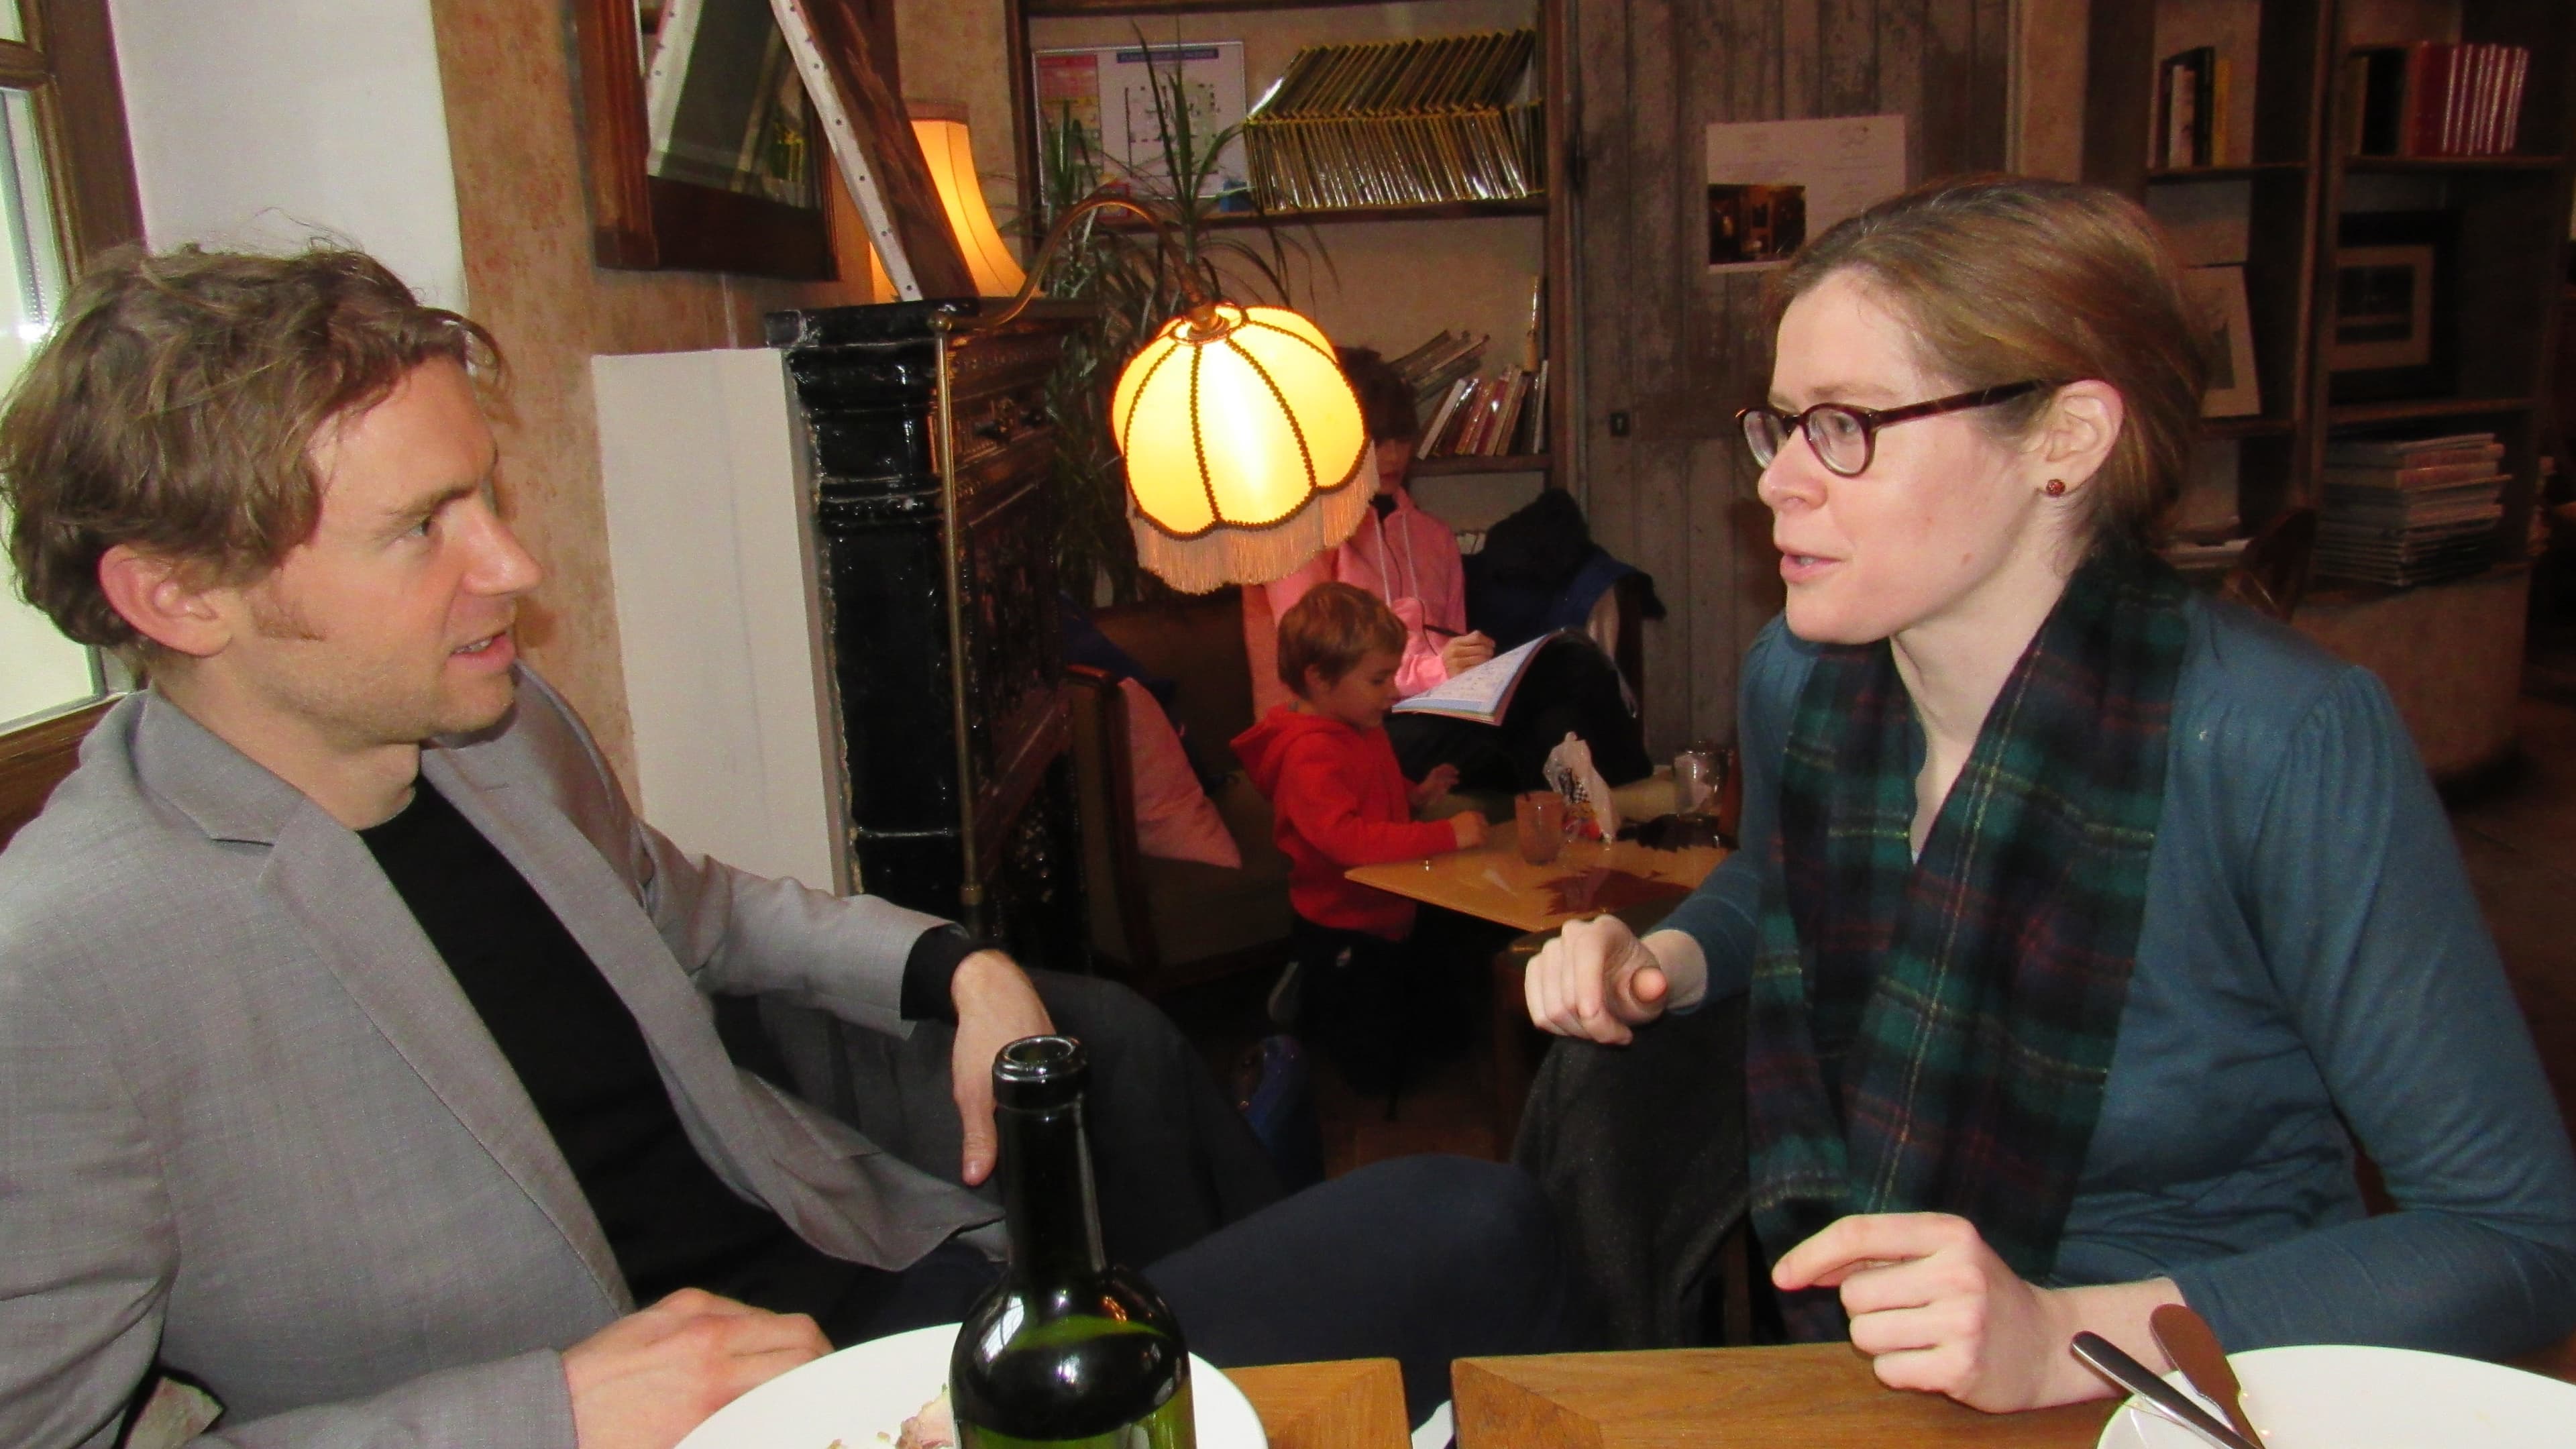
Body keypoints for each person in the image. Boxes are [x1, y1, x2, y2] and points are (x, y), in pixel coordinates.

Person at [0, 246, 1572, 1449]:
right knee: (1456, 1227)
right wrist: (543, 1409)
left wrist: (960, 965)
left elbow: (700, 907)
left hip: (886, 1312)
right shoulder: (65, 962)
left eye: (485, 493)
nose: (514, 562)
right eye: (425, 528)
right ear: (175, 596)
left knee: (1442, 1214)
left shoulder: (491, 730)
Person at [1521, 175, 2576, 1411]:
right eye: (1783, 424)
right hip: (1855, 1362)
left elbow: (2518, 1238)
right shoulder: (1801, 679)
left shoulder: (2279, 741)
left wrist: (2065, 1333)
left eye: (1846, 427)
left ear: (2067, 440)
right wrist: (1669, 962)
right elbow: (1777, 878)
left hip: (2195, 1387)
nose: (1778, 484)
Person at [1263, 348, 1650, 794]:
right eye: (1376, 441)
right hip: (1361, 724)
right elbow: (1313, 665)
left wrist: (1474, 665)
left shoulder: (1433, 536)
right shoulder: (1305, 539)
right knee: (1520, 737)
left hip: (1446, 705)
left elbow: (1453, 640)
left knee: (1572, 669)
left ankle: (1633, 821)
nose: (1392, 456)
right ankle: (1605, 824)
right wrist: (1434, 672)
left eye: (1402, 440)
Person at [1232, 582, 1486, 1085]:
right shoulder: (1308, 754)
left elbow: (1370, 787)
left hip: (1386, 905)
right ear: (1320, 679)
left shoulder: (1359, 725)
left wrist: (1415, 795)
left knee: (1437, 1025)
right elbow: (1347, 842)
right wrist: (1446, 835)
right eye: (1378, 679)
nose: (1393, 691)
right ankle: (1312, 999)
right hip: (1343, 919)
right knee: (1371, 1062)